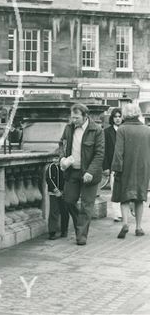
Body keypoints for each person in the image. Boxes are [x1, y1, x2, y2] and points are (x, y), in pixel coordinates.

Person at [58, 103, 104, 245]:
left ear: (85, 116)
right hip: (72, 172)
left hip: (89, 174)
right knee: (68, 200)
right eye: (72, 117)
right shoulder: (68, 128)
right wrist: (62, 159)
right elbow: (62, 145)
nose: (74, 120)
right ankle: (81, 224)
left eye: (77, 117)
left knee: (86, 205)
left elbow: (99, 153)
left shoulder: (96, 130)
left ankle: (81, 235)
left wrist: (90, 171)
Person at [111, 103, 150, 238]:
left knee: (124, 197)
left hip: (126, 167)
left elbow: (118, 152)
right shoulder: (147, 129)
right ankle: (138, 227)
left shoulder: (122, 129)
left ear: (125, 114)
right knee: (140, 198)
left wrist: (116, 169)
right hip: (143, 168)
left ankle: (125, 224)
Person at [102, 108, 123, 221]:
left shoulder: (126, 130)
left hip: (126, 165)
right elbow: (104, 150)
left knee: (125, 189)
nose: (118, 119)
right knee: (114, 189)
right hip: (113, 165)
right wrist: (105, 167)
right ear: (112, 118)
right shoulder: (107, 132)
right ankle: (117, 214)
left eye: (119, 116)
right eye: (115, 116)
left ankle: (125, 210)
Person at [45, 160, 69, 240]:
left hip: (65, 192)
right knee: (54, 212)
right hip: (54, 193)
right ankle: (52, 232)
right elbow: (49, 179)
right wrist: (55, 190)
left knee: (65, 211)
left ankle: (64, 230)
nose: (56, 160)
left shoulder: (66, 166)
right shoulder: (51, 167)